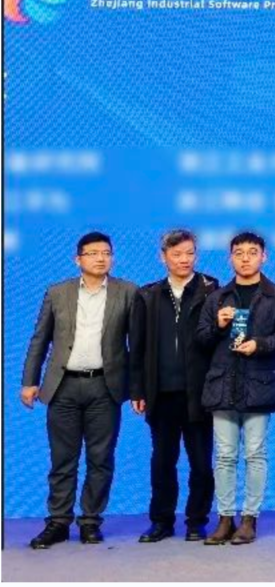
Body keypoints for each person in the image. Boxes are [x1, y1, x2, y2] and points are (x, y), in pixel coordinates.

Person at [22, 232, 137, 549]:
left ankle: (90, 522)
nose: (101, 258)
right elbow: (39, 339)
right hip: (63, 386)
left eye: (106, 253)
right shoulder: (57, 292)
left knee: (101, 459)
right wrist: (30, 381)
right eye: (93, 253)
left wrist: (137, 388)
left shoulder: (127, 292)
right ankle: (58, 522)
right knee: (63, 459)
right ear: (78, 259)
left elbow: (137, 344)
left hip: (105, 386)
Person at [196, 231, 275, 545]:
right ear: (230, 258)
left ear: (264, 256)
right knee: (224, 456)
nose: (246, 258)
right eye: (239, 253)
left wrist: (259, 345)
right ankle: (225, 518)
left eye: (252, 252)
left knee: (255, 454)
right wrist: (218, 325)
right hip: (222, 385)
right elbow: (201, 339)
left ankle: (250, 519)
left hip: (259, 384)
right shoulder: (217, 297)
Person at [129, 229, 220, 543]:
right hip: (161, 393)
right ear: (163, 257)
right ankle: (161, 521)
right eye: (177, 254)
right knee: (163, 461)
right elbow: (137, 346)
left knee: (201, 464)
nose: (184, 260)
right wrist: (137, 389)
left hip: (200, 393)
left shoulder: (211, 289)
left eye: (190, 253)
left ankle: (196, 521)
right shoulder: (147, 295)